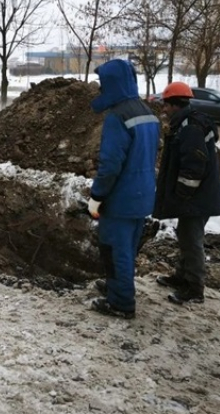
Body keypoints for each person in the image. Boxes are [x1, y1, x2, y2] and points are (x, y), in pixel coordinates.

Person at [87, 59, 160, 319]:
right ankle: (118, 286)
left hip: (121, 198)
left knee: (114, 248)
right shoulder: (146, 113)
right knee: (127, 247)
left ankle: (120, 303)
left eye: (103, 84)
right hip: (142, 196)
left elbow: (110, 165)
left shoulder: (118, 117)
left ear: (114, 83)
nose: (101, 90)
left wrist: (97, 196)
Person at [153, 82, 220, 304]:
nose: (163, 109)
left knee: (192, 240)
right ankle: (182, 276)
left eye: (165, 104)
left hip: (196, 197)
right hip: (197, 196)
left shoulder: (190, 127)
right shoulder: (186, 122)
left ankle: (194, 289)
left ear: (175, 105)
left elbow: (193, 165)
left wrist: (182, 194)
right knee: (185, 235)